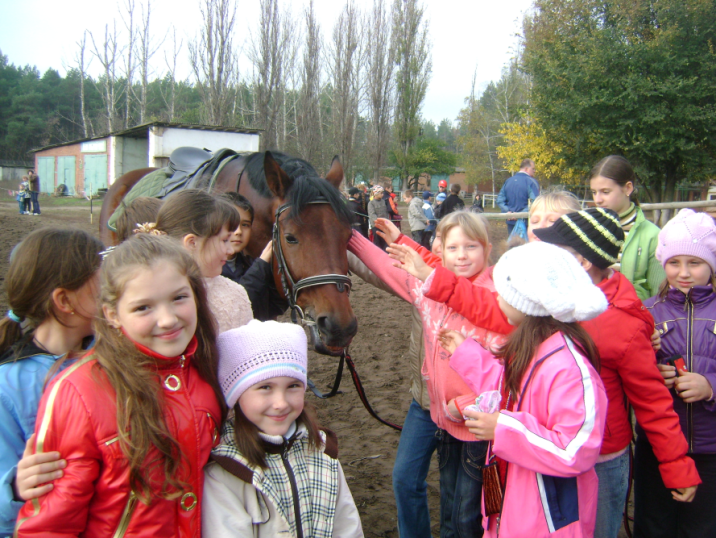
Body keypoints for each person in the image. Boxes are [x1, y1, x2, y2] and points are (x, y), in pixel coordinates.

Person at [14, 233, 226, 537]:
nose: (167, 320)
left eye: (179, 297)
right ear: (113, 315)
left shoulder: (206, 368)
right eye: (143, 308)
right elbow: (50, 524)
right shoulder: (80, 392)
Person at [534, 208, 701, 538]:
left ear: (582, 263)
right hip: (552, 444)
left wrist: (676, 466)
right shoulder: (551, 300)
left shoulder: (621, 324)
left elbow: (652, 402)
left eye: (556, 251)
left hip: (602, 458)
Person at [349, 211, 509, 538]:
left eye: (471, 247)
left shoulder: (494, 299)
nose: (462, 255)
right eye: (453, 248)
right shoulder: (427, 287)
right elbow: (388, 267)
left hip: (474, 423)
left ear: (488, 249)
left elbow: (503, 374)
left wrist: (463, 404)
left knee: (465, 513)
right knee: (445, 501)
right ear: (440, 252)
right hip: (435, 411)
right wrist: (350, 236)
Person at [434, 242, 609, 537]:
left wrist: (502, 428)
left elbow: (574, 450)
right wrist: (467, 354)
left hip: (547, 519)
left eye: (502, 292)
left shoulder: (569, 369)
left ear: (526, 302)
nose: (497, 297)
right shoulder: (535, 348)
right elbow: (513, 394)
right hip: (517, 502)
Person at [202, 319, 363, 537]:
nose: (281, 403)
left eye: (293, 386)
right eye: (265, 387)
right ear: (237, 394)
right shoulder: (226, 470)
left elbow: (347, 526)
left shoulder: (322, 452)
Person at [0, 228, 103, 536]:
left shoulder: (110, 356)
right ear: (64, 300)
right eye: (101, 285)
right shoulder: (9, 384)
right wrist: (15, 488)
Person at [636, 209, 716, 537]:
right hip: (657, 447)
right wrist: (652, 373)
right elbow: (630, 373)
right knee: (654, 525)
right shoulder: (646, 312)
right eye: (674, 262)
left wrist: (710, 386)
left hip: (710, 452)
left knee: (702, 527)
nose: (683, 273)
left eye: (694, 263)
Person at [153, 189, 253, 332]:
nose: (230, 250)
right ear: (192, 243)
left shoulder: (233, 294)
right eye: (224, 240)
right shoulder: (149, 292)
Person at [590, 155, 665, 301]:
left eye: (605, 192)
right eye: (594, 192)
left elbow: (659, 296)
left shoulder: (652, 235)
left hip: (635, 317)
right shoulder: (587, 229)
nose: (598, 199)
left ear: (628, 188)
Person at [220, 192, 288, 321]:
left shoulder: (250, 265)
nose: (238, 231)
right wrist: (261, 266)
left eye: (245, 225)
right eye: (231, 224)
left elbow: (274, 307)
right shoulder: (208, 271)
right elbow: (236, 306)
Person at [497, 159, 538, 234]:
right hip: (526, 222)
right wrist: (520, 214)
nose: (534, 171)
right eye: (533, 169)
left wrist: (508, 211)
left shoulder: (508, 181)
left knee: (513, 244)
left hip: (510, 220)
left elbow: (500, 200)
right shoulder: (531, 181)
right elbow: (535, 202)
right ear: (526, 169)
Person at [368, 186, 391, 251]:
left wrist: (387, 222)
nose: (382, 194)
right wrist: (379, 223)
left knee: (385, 242)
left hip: (384, 226)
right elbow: (372, 215)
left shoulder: (383, 201)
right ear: (376, 193)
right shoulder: (371, 203)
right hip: (376, 227)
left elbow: (386, 213)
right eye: (381, 193)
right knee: (377, 243)